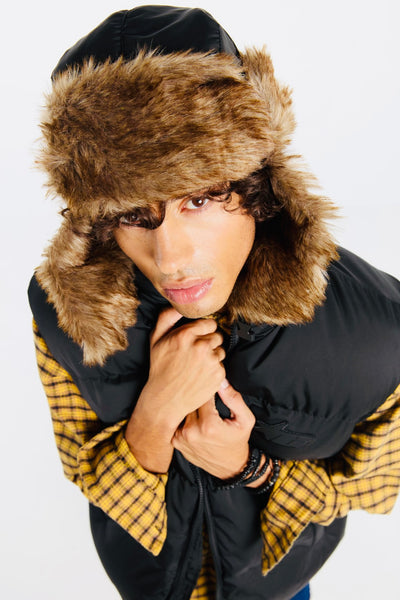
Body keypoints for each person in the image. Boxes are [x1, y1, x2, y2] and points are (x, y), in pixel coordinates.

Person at [28, 6, 400, 600]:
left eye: (198, 200)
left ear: (258, 187)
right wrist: (155, 414)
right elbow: (85, 467)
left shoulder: (376, 327)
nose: (170, 256)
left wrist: (244, 466)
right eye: (134, 215)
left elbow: (378, 486)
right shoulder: (65, 310)